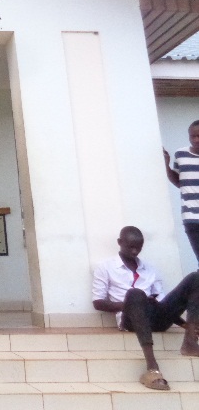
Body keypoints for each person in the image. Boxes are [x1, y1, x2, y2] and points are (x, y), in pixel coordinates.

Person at [92, 225, 199, 391]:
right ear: (120, 242)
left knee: (196, 278)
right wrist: (130, 304)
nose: (135, 252)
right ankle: (152, 369)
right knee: (136, 294)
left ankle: (191, 342)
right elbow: (98, 302)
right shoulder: (105, 267)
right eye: (131, 247)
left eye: (139, 247)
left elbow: (162, 302)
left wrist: (184, 324)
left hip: (157, 317)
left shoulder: (150, 269)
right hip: (130, 319)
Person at [164, 120, 199, 265]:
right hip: (191, 217)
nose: (196, 140)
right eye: (192, 136)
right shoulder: (180, 155)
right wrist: (166, 165)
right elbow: (179, 182)